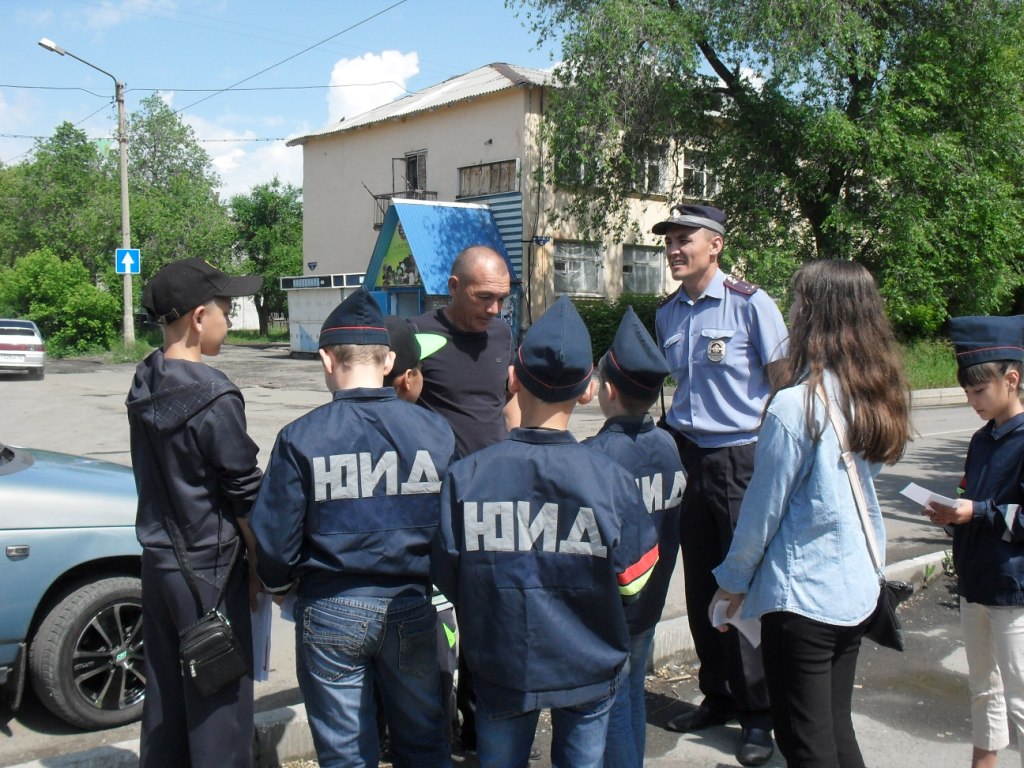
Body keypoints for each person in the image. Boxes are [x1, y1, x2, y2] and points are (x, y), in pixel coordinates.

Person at [433, 295, 660, 768]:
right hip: (590, 663)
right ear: (586, 390)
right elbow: (636, 579)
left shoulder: (466, 476)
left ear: (512, 379)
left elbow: (449, 575)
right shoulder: (610, 477)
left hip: (500, 661)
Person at [711, 259, 913, 768]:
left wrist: (732, 583)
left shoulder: (794, 406)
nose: (793, 312)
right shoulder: (874, 397)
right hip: (856, 590)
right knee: (835, 729)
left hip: (801, 599)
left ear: (815, 315)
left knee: (804, 742)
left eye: (798, 302)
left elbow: (761, 513)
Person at [248, 289, 457, 768]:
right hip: (412, 601)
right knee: (425, 743)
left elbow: (274, 536)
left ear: (326, 358)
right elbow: (455, 524)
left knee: (345, 753)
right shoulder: (436, 431)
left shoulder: (300, 437)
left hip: (330, 607)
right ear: (387, 362)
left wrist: (281, 586)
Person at [654, 204, 788, 766]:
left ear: (716, 245)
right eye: (669, 241)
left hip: (741, 458)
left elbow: (783, 384)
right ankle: (718, 695)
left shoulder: (751, 304)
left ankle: (759, 714)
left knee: (743, 589)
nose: (674, 249)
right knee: (701, 584)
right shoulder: (667, 314)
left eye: (685, 239)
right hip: (690, 456)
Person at [126, 256, 264, 768]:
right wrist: (260, 567)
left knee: (166, 699)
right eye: (227, 308)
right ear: (199, 316)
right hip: (210, 569)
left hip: (159, 565)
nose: (230, 318)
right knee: (220, 712)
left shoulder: (145, 380)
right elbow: (244, 491)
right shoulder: (214, 395)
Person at [412, 243, 519, 752]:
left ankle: (480, 732)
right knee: (437, 625)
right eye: (483, 297)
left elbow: (507, 402)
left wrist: (518, 458)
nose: (494, 309)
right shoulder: (419, 337)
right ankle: (432, 730)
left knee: (487, 621)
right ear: (453, 288)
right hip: (439, 507)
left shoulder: (501, 333)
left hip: (494, 504)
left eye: (502, 298)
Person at [582, 307, 685, 768]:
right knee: (634, 691)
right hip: (651, 598)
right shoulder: (667, 445)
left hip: (609, 607)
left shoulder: (596, 457)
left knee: (614, 703)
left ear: (606, 390)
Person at [924, 315, 1024, 768]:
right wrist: (951, 514)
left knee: (1020, 696)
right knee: (984, 689)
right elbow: (970, 497)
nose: (971, 402)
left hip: (1014, 588)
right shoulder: (982, 440)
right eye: (965, 393)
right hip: (976, 581)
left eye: (979, 392)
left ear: (1012, 379)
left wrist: (976, 513)